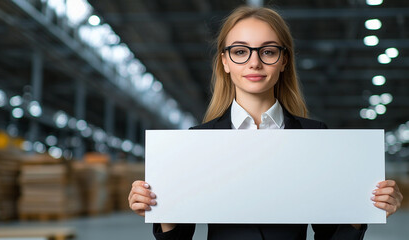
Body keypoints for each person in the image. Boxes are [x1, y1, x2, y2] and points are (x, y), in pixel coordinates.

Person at [128, 6, 403, 240]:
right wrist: (157, 205)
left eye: (268, 52)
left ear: (284, 60)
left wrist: (366, 207)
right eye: (240, 52)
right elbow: (178, 237)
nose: (254, 63)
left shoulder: (314, 136)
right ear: (225, 61)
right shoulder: (197, 141)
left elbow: (331, 234)